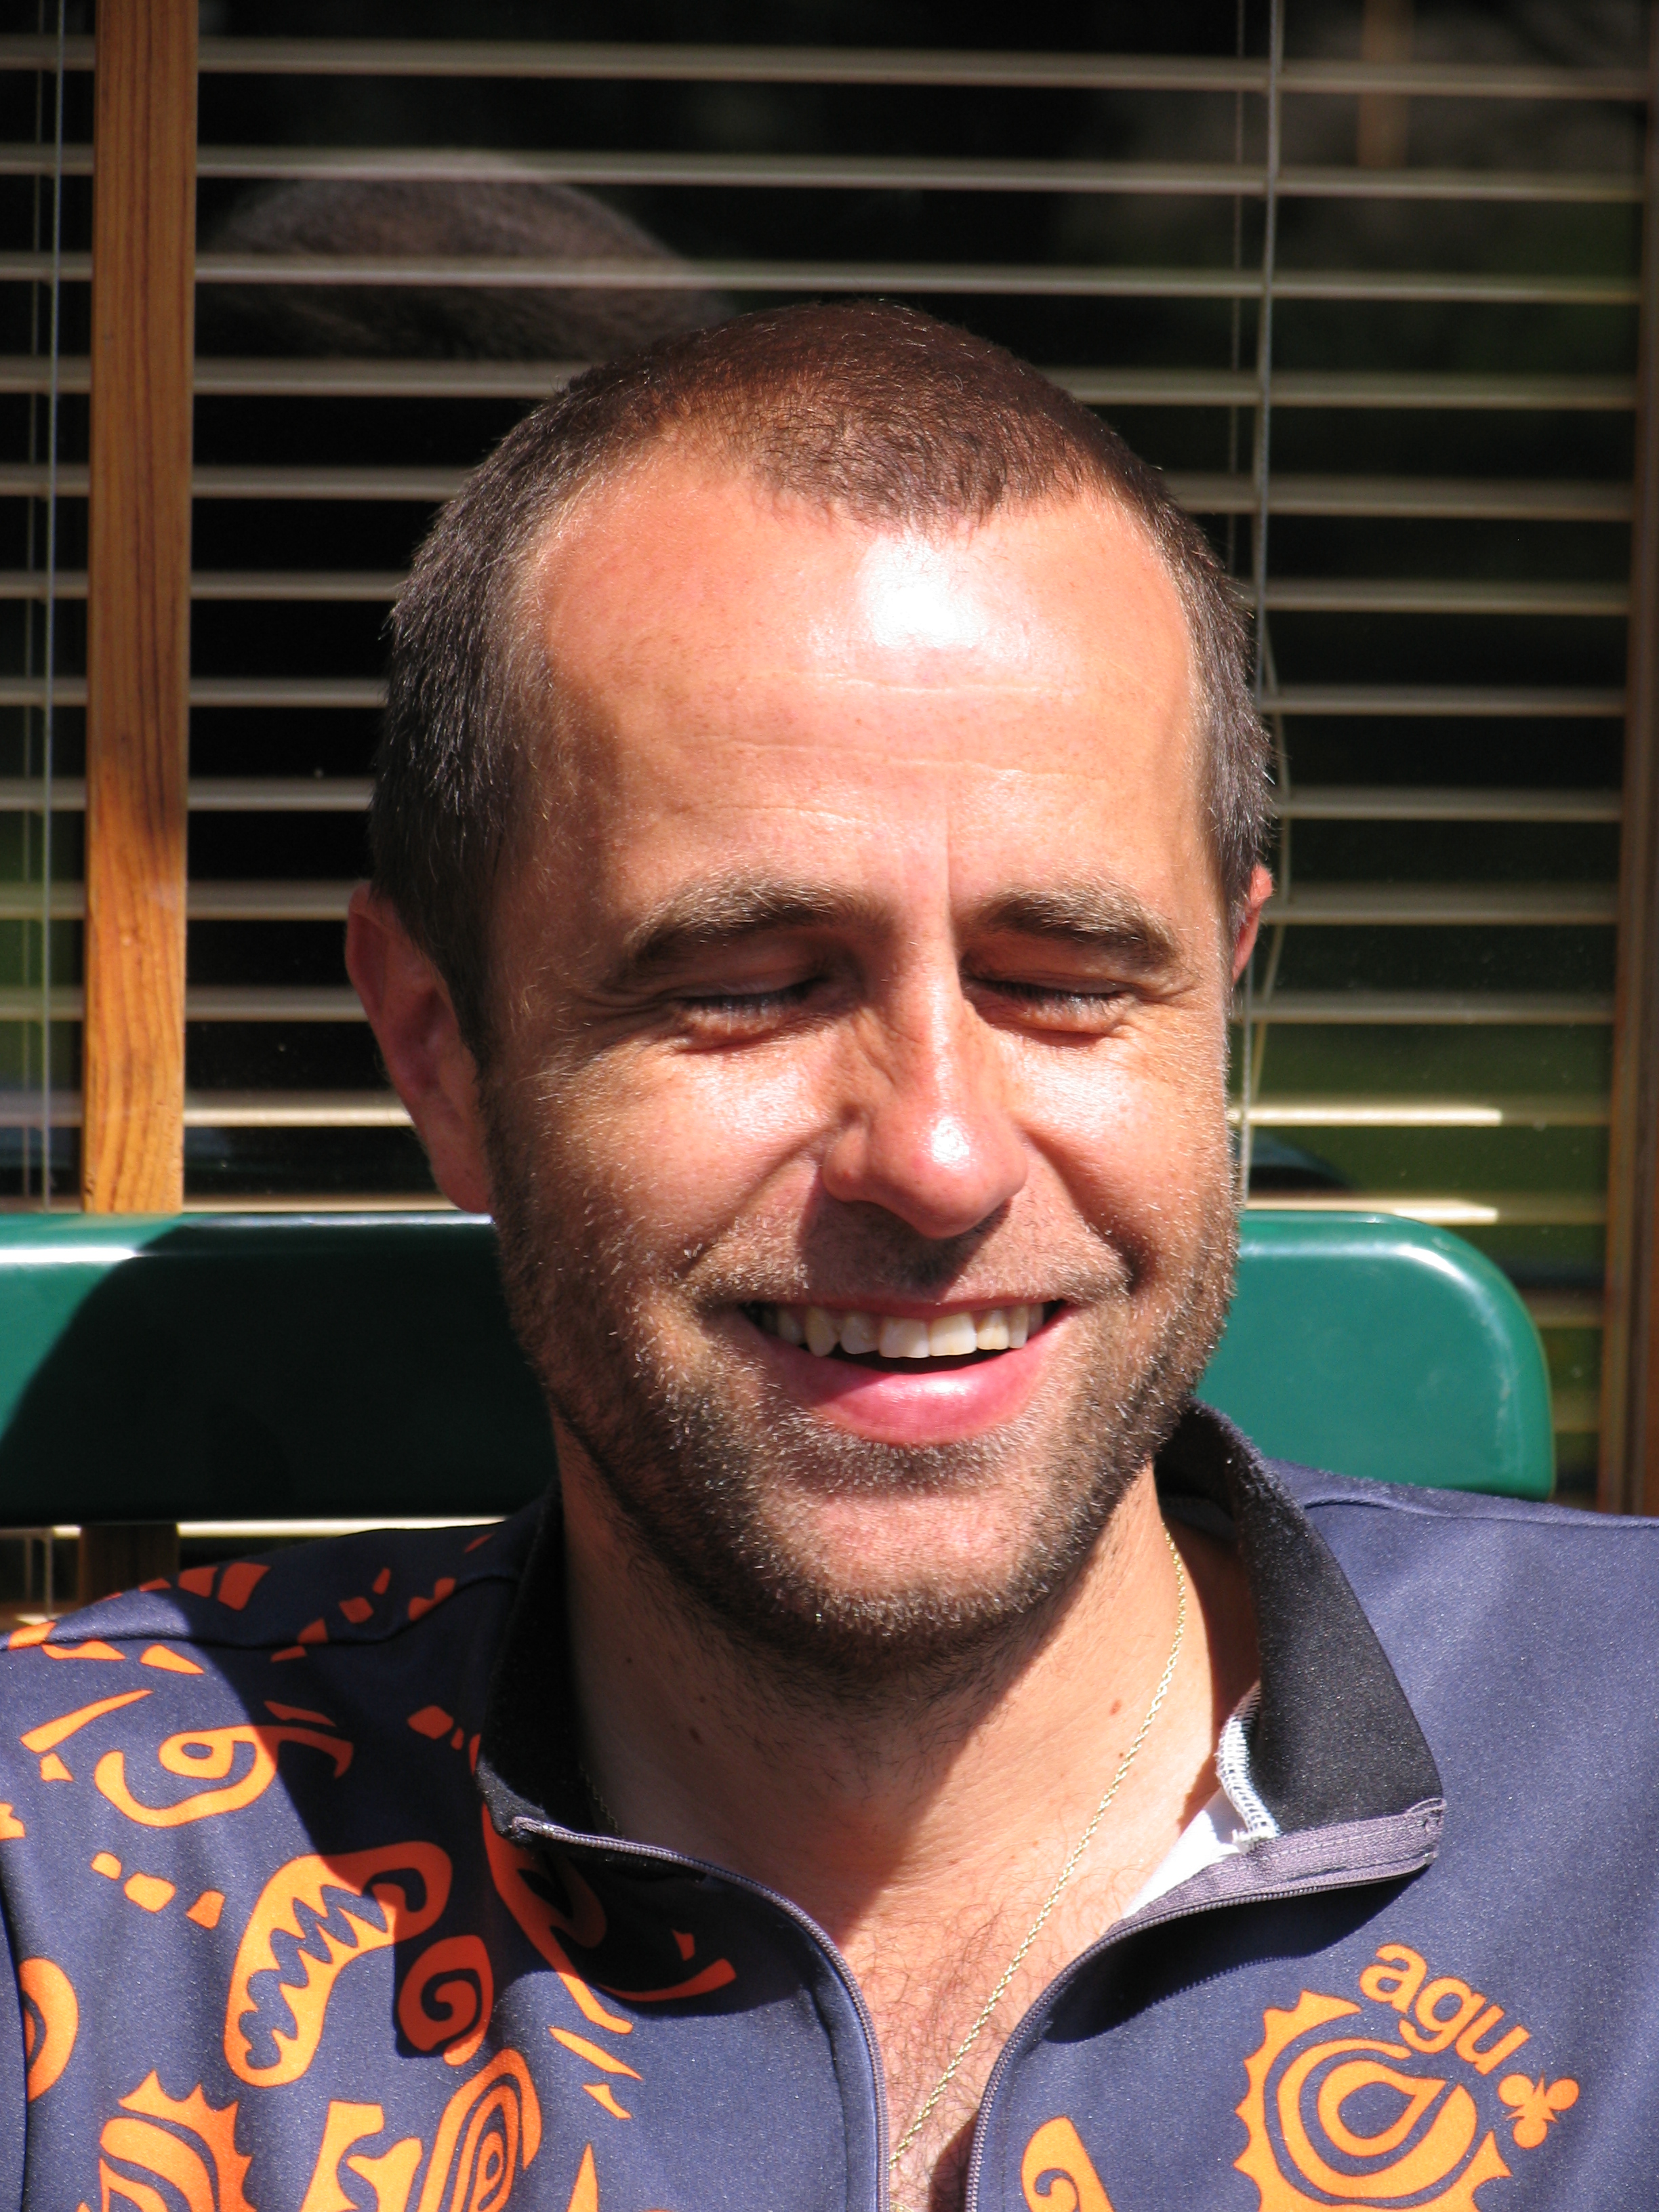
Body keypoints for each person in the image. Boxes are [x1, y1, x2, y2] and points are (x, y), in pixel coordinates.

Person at [0, 301, 1649, 2212]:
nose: (939, 1159)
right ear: (440, 1053)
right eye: (749, 985)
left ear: (1224, 1005)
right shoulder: (78, 1891)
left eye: (1067, 982)